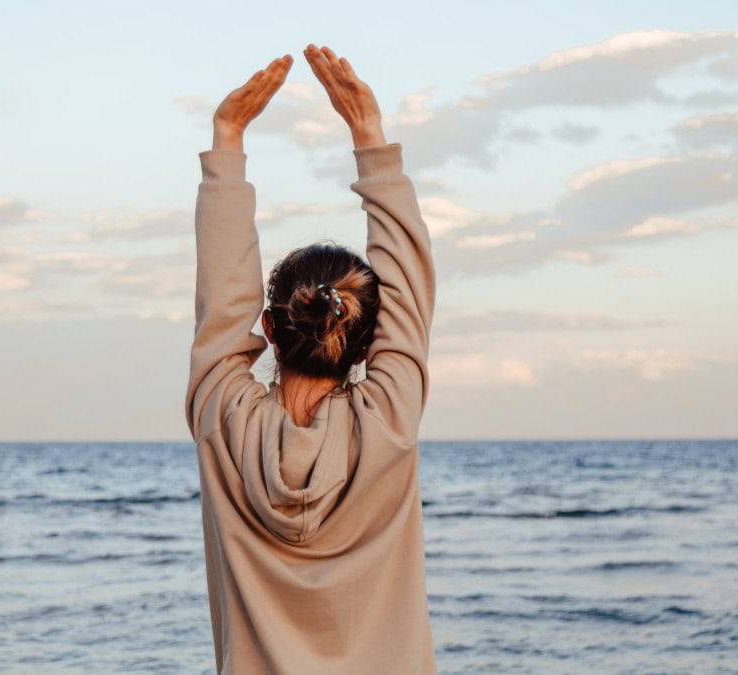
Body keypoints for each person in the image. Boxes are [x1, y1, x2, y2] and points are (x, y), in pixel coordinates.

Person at [185, 43, 437, 674]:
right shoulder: (390, 417)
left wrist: (228, 141)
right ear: (367, 340)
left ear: (268, 329)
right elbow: (409, 294)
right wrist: (370, 139)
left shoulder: (223, 419)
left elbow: (220, 307)